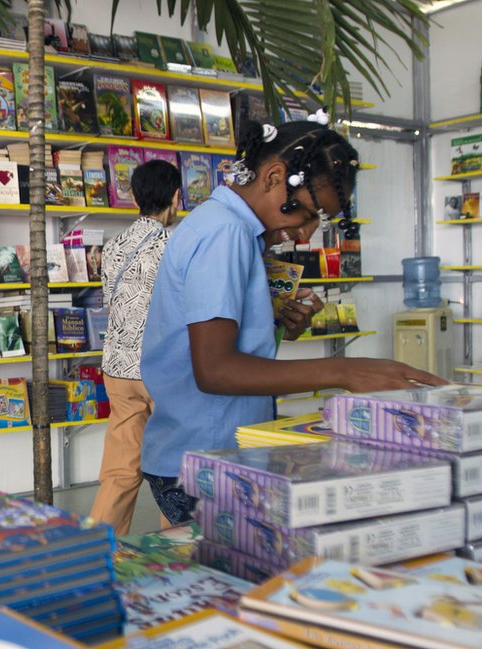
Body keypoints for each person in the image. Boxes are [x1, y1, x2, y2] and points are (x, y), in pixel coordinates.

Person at [139, 112, 447, 527]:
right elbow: (214, 370)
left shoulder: (231, 229)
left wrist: (275, 321)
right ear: (273, 178)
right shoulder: (224, 234)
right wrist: (344, 370)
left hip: (208, 447)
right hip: (204, 456)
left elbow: (225, 345)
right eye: (307, 213)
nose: (305, 234)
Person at [89, 160, 181, 536]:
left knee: (120, 469)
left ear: (134, 197)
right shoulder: (176, 246)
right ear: (176, 197)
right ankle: (179, 552)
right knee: (174, 468)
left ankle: (94, 557)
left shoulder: (113, 246)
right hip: (162, 369)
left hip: (118, 368)